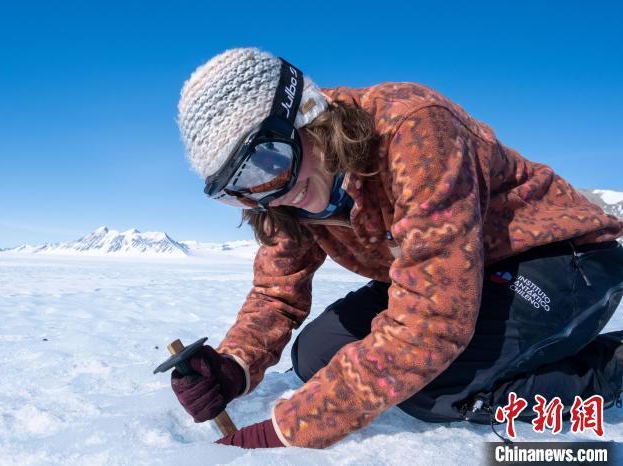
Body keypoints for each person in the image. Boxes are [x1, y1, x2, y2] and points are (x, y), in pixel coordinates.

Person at [172, 47, 623, 449]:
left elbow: (433, 318)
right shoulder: (285, 196)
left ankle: (610, 369)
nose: (273, 192)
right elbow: (277, 293)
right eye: (242, 188)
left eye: (269, 160)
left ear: (306, 113)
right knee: (315, 356)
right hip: (457, 272)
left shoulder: (414, 127)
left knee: (434, 385)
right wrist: (235, 365)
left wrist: (296, 425)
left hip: (557, 259)